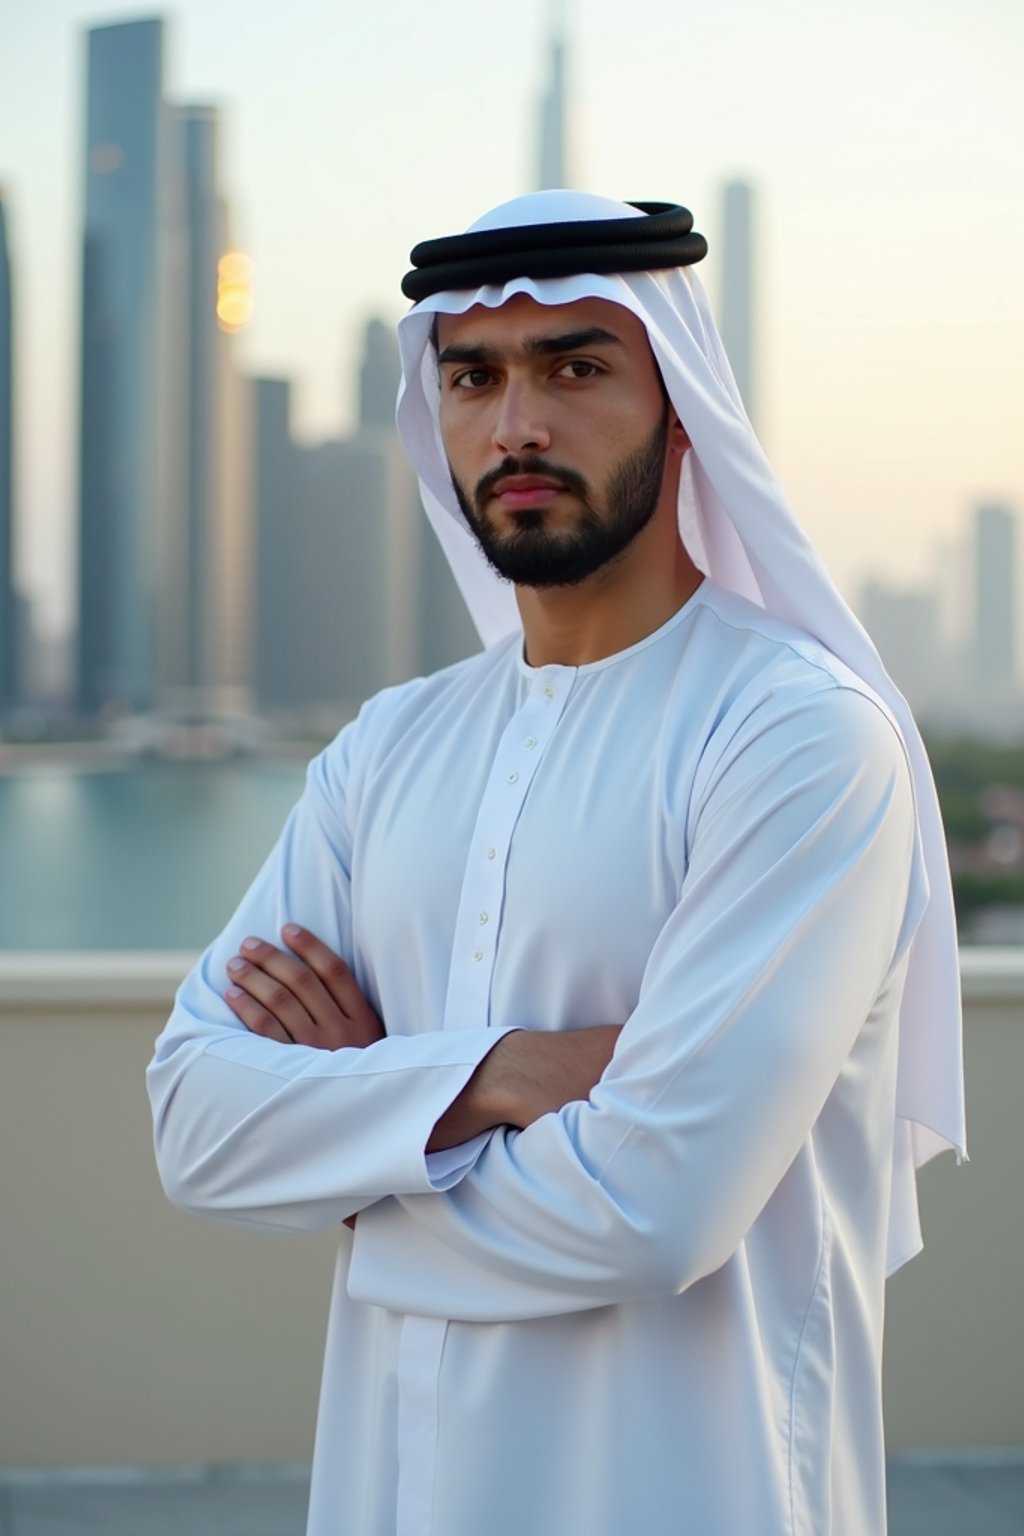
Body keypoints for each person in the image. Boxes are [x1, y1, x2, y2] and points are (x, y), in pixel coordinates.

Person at [147, 191, 966, 1536]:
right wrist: (507, 1075)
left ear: (680, 404)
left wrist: (362, 1168)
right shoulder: (387, 749)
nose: (517, 424)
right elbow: (193, 1116)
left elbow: (656, 1207)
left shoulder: (796, 736)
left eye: (577, 366)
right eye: (472, 377)